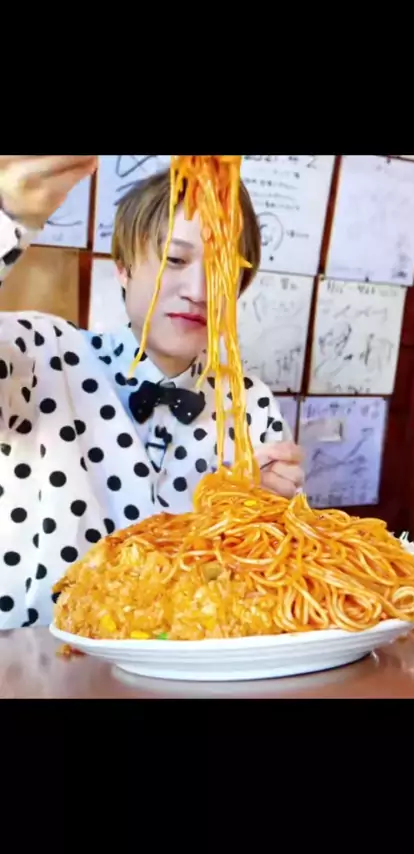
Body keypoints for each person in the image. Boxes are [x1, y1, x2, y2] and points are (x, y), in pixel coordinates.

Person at [0, 155, 304, 630]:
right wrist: (9, 215)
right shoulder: (40, 354)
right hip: (33, 662)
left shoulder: (252, 403)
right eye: (175, 260)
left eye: (223, 267)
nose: (199, 290)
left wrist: (268, 522)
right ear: (123, 268)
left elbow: (279, 589)